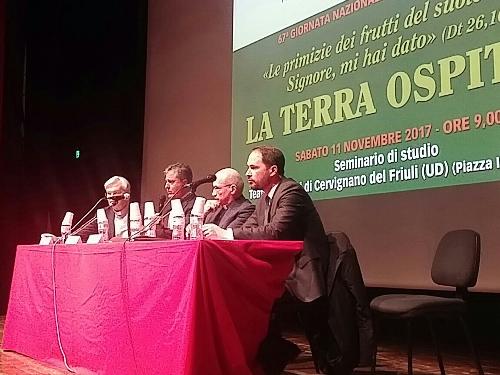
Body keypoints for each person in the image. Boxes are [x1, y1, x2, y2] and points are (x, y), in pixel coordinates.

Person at [202, 146, 335, 374]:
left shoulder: (290, 191)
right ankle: (270, 353)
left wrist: (227, 234)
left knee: (253, 296)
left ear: (273, 170)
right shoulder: (265, 198)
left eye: (254, 167)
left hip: (303, 271)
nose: (248, 173)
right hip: (282, 270)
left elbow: (276, 231)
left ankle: (278, 352)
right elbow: (249, 228)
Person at [78, 176, 132, 241]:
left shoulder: (141, 212)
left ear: (126, 196)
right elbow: (80, 234)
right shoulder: (104, 213)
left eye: (115, 193)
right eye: (109, 193)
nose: (111, 197)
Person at [156, 162, 197, 238]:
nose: (166, 186)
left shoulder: (195, 204)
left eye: (171, 182)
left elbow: (182, 232)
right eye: (166, 182)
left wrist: (156, 231)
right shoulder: (168, 205)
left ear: (185, 183)